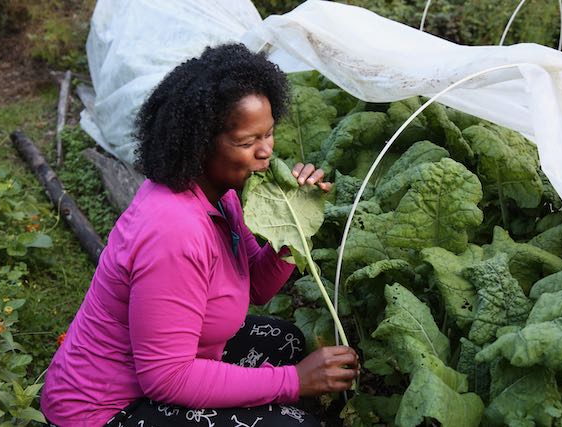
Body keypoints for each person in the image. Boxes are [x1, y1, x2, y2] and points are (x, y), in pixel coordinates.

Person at [40, 43, 359, 427]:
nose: (266, 152)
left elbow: (257, 286)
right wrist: (293, 382)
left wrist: (293, 222)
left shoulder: (221, 195)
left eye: (269, 134)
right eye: (246, 142)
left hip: (168, 368)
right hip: (105, 410)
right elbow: (167, 378)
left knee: (285, 341)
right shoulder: (174, 230)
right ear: (199, 143)